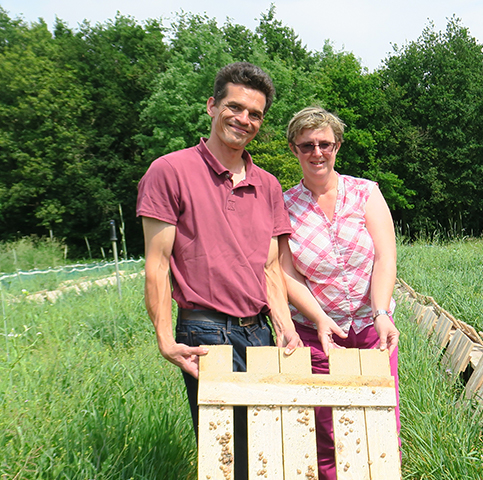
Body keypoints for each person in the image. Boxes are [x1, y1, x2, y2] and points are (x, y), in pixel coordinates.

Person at [136, 61, 302, 476]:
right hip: (206, 331)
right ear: (212, 106)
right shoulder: (170, 171)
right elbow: (156, 264)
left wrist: (285, 324)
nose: (244, 119)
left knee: (269, 449)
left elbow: (269, 268)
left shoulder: (267, 185)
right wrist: (163, 338)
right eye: (235, 107)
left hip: (260, 330)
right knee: (227, 455)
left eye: (255, 114)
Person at [280, 106, 400, 480]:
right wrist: (319, 318)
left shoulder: (366, 193)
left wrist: (380, 312)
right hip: (316, 334)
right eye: (307, 145)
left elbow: (384, 257)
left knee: (380, 424)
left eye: (325, 144)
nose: (317, 153)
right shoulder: (283, 206)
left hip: (370, 327)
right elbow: (285, 273)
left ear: (338, 146)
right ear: (293, 149)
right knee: (326, 430)